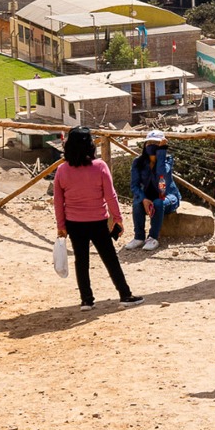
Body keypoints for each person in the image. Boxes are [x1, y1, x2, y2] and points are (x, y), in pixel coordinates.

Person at [52, 127, 144, 310]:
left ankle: (86, 300)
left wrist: (61, 226)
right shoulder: (100, 166)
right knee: (110, 259)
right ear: (90, 146)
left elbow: (58, 201)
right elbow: (111, 196)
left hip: (74, 222)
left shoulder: (62, 170)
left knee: (81, 260)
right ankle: (125, 294)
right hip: (97, 221)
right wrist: (117, 219)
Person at [126, 131, 180, 251]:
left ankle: (153, 237)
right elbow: (134, 186)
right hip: (148, 196)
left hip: (167, 196)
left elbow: (162, 175)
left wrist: (161, 153)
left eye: (155, 143)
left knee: (158, 203)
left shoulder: (167, 160)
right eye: (149, 142)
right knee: (137, 203)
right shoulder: (138, 162)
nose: (151, 145)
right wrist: (143, 199)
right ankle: (139, 237)